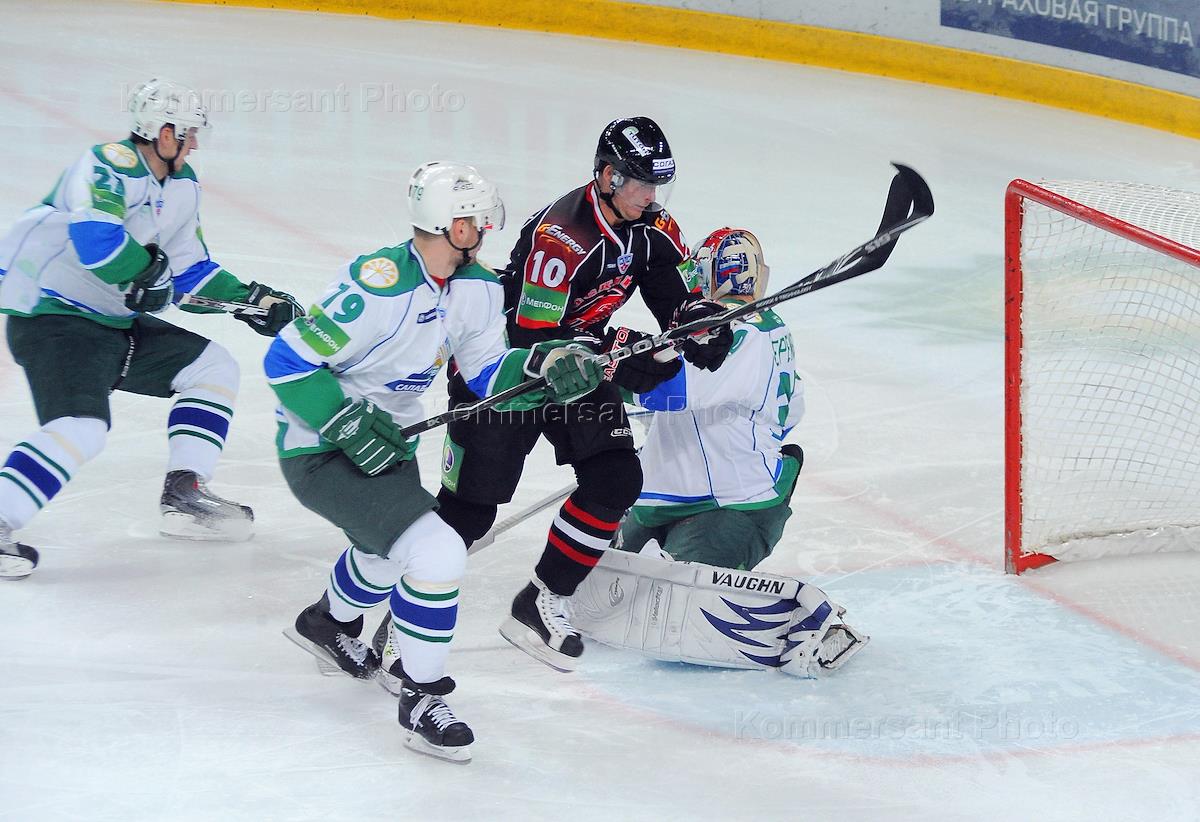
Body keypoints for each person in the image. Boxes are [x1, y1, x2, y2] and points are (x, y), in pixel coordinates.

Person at [267, 161, 602, 762]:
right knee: (437, 552)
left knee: (384, 552)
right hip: (319, 448)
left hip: (388, 445)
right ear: (452, 225)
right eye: (476, 220)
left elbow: (486, 372)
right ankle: (422, 697)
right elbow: (286, 361)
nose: (484, 229)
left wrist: (540, 364)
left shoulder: (478, 289)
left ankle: (327, 623)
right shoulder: (378, 286)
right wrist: (344, 422)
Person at [434, 116, 734, 673]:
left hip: (580, 367)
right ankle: (369, 612)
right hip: (508, 373)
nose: (652, 196)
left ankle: (540, 601)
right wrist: (620, 349)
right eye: (641, 183)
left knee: (615, 480)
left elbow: (671, 297)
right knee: (467, 513)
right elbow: (534, 336)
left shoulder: (653, 224)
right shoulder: (563, 237)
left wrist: (697, 322)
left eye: (658, 184)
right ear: (608, 176)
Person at [0, 78, 301, 579]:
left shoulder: (181, 185)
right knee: (80, 427)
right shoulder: (109, 165)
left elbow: (188, 272)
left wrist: (251, 301)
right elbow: (98, 243)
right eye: (189, 133)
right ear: (164, 133)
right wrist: (148, 273)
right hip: (54, 319)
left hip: (111, 324)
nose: (194, 144)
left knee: (212, 368)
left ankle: (185, 493)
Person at [571, 227, 869, 675]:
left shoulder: (744, 333)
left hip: (731, 505)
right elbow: (790, 408)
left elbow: (668, 392)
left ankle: (809, 624)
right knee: (598, 592)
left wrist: (602, 368)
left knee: (667, 612)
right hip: (662, 499)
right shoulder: (725, 326)